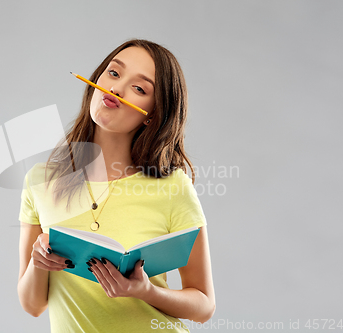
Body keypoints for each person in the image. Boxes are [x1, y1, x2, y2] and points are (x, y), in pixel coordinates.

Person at [17, 39, 215, 332]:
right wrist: (37, 263)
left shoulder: (173, 187)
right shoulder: (40, 181)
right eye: (113, 73)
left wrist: (146, 292)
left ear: (153, 116)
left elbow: (204, 306)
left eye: (139, 88)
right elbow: (33, 306)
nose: (117, 88)